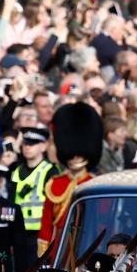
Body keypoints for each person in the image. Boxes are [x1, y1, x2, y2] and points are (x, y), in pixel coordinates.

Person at [37, 103, 103, 258]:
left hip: (85, 245)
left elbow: (101, 223)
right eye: (72, 155)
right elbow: (46, 224)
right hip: (58, 248)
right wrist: (44, 254)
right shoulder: (55, 183)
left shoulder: (95, 185)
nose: (75, 158)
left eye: (79, 155)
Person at [10, 126, 58, 260]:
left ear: (43, 146)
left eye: (33, 144)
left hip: (40, 234)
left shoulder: (50, 171)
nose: (27, 147)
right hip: (18, 233)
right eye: (25, 143)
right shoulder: (16, 171)